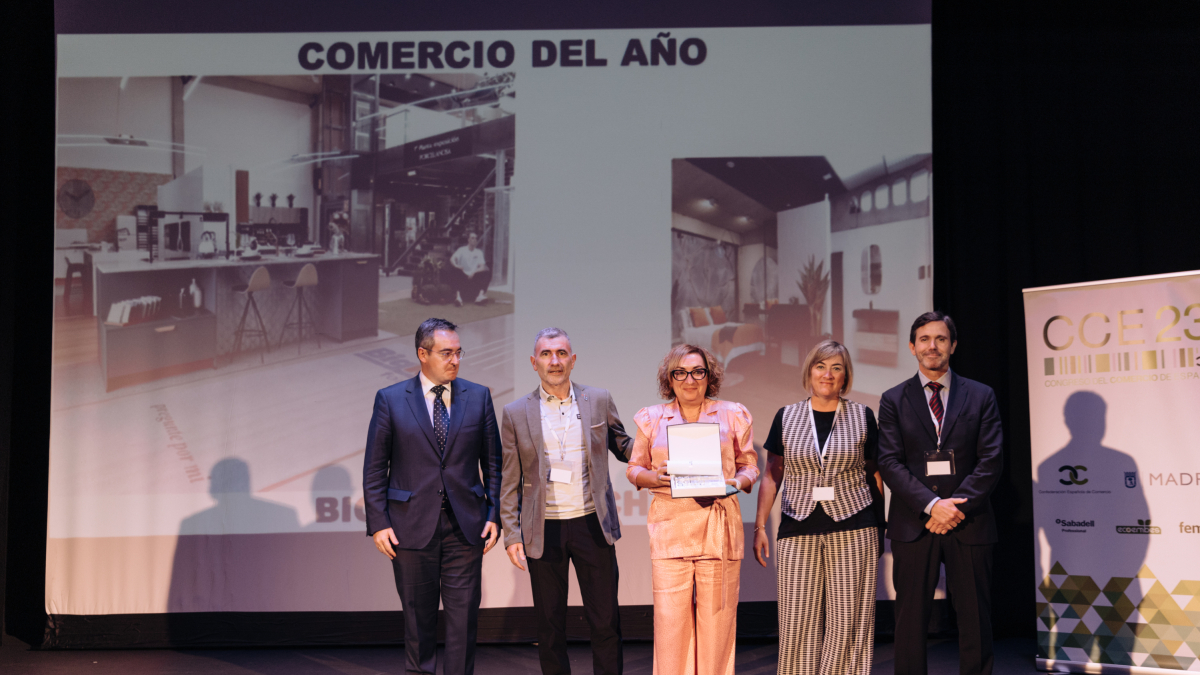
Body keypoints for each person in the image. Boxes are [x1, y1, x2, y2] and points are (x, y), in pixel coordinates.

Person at [362, 317, 502, 675]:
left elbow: (493, 463)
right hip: (409, 528)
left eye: (458, 353)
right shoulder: (391, 399)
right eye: (446, 353)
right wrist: (378, 523)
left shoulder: (479, 396)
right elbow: (375, 468)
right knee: (418, 623)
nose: (455, 360)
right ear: (422, 354)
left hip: (465, 527)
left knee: (463, 623)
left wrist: (493, 514)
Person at [499, 327, 635, 675]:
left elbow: (624, 446)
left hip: (593, 524)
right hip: (544, 529)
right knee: (550, 626)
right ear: (534, 363)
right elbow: (510, 479)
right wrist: (512, 535)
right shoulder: (515, 412)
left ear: (572, 360)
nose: (554, 361)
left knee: (605, 621)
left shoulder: (598, 399)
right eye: (546, 354)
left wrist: (661, 441)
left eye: (561, 353)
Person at [877, 311, 1004, 675]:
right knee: (910, 619)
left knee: (975, 618)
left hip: (969, 521)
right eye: (924, 339)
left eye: (941, 339)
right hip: (915, 523)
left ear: (953, 345)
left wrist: (954, 507)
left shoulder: (981, 395)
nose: (932, 346)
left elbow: (991, 459)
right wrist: (932, 505)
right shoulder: (893, 399)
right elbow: (889, 461)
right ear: (912, 347)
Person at [626, 344, 758, 675]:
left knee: (717, 624)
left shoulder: (733, 414)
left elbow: (750, 465)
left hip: (718, 528)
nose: (690, 380)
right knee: (671, 626)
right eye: (680, 373)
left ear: (709, 376)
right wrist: (654, 476)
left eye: (698, 372)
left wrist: (736, 482)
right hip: (671, 528)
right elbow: (634, 469)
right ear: (669, 379)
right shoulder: (651, 418)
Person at [752, 340, 882, 675]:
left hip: (855, 525)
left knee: (848, 619)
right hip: (797, 525)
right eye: (820, 366)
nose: (828, 374)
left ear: (845, 376)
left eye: (837, 368)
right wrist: (760, 526)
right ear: (809, 372)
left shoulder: (863, 415)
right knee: (796, 619)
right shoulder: (787, 416)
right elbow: (772, 474)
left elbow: (874, 473)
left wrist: (881, 526)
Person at [448, 231, 491, 306]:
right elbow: (452, 259)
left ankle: (480, 296)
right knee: (455, 270)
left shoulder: (479, 252)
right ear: (468, 240)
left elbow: (482, 266)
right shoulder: (461, 250)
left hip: (473, 279)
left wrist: (474, 272)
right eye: (472, 238)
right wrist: (456, 265)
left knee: (487, 272)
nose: (474, 240)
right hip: (463, 278)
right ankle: (458, 297)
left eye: (476, 238)